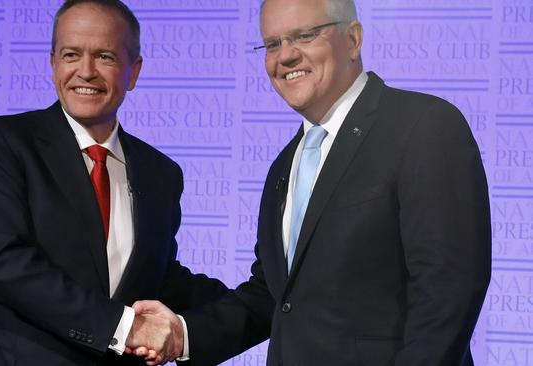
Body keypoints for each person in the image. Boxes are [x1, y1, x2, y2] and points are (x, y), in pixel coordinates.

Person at [134, 0, 492, 364]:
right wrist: (184, 333)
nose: (285, 56)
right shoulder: (285, 165)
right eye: (272, 44)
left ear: (352, 40)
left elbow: (448, 292)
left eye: (304, 36)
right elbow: (275, 296)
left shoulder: (423, 126)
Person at [0, 0, 227, 365]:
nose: (85, 72)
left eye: (105, 56)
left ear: (133, 71)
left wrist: (272, 304)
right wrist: (126, 328)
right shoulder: (1, 142)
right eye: (71, 54)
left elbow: (157, 279)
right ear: (53, 62)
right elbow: (1, 261)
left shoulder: (161, 173)